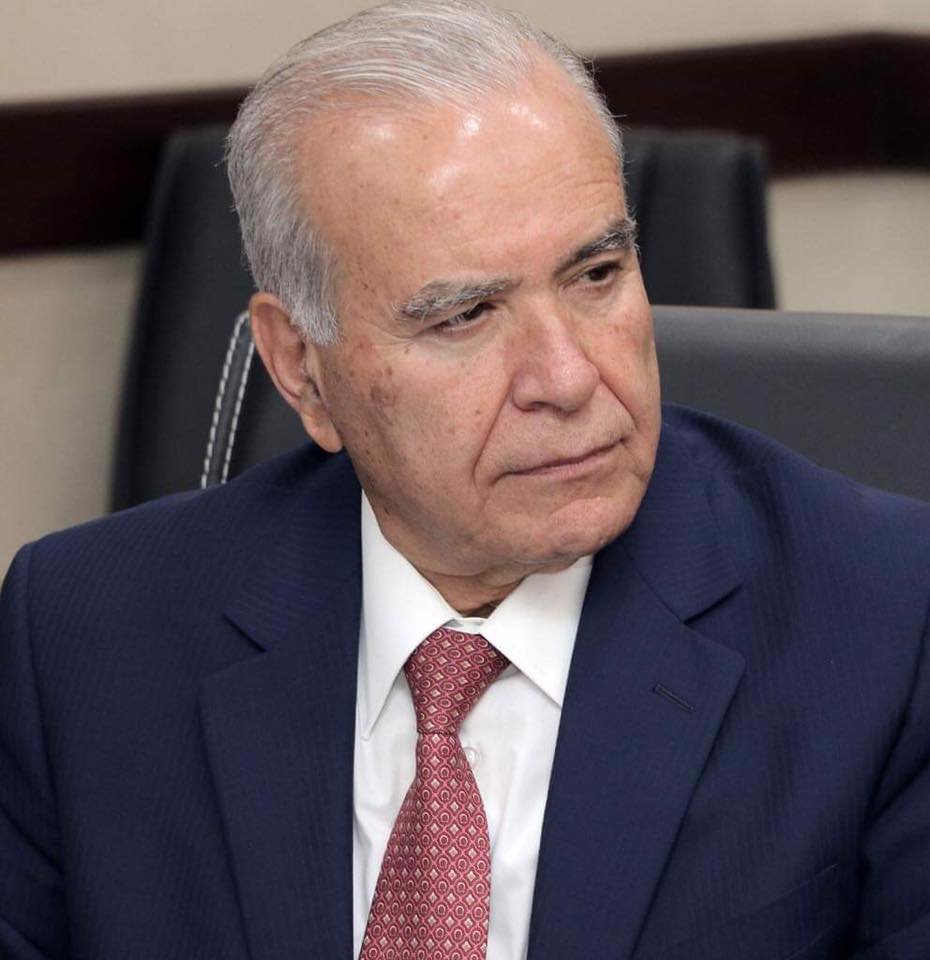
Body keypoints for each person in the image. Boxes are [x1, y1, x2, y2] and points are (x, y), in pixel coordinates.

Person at [1, 1, 929, 957]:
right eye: (464, 317)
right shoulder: (80, 634)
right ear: (301, 369)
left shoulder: (886, 619)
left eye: (596, 274)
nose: (568, 378)